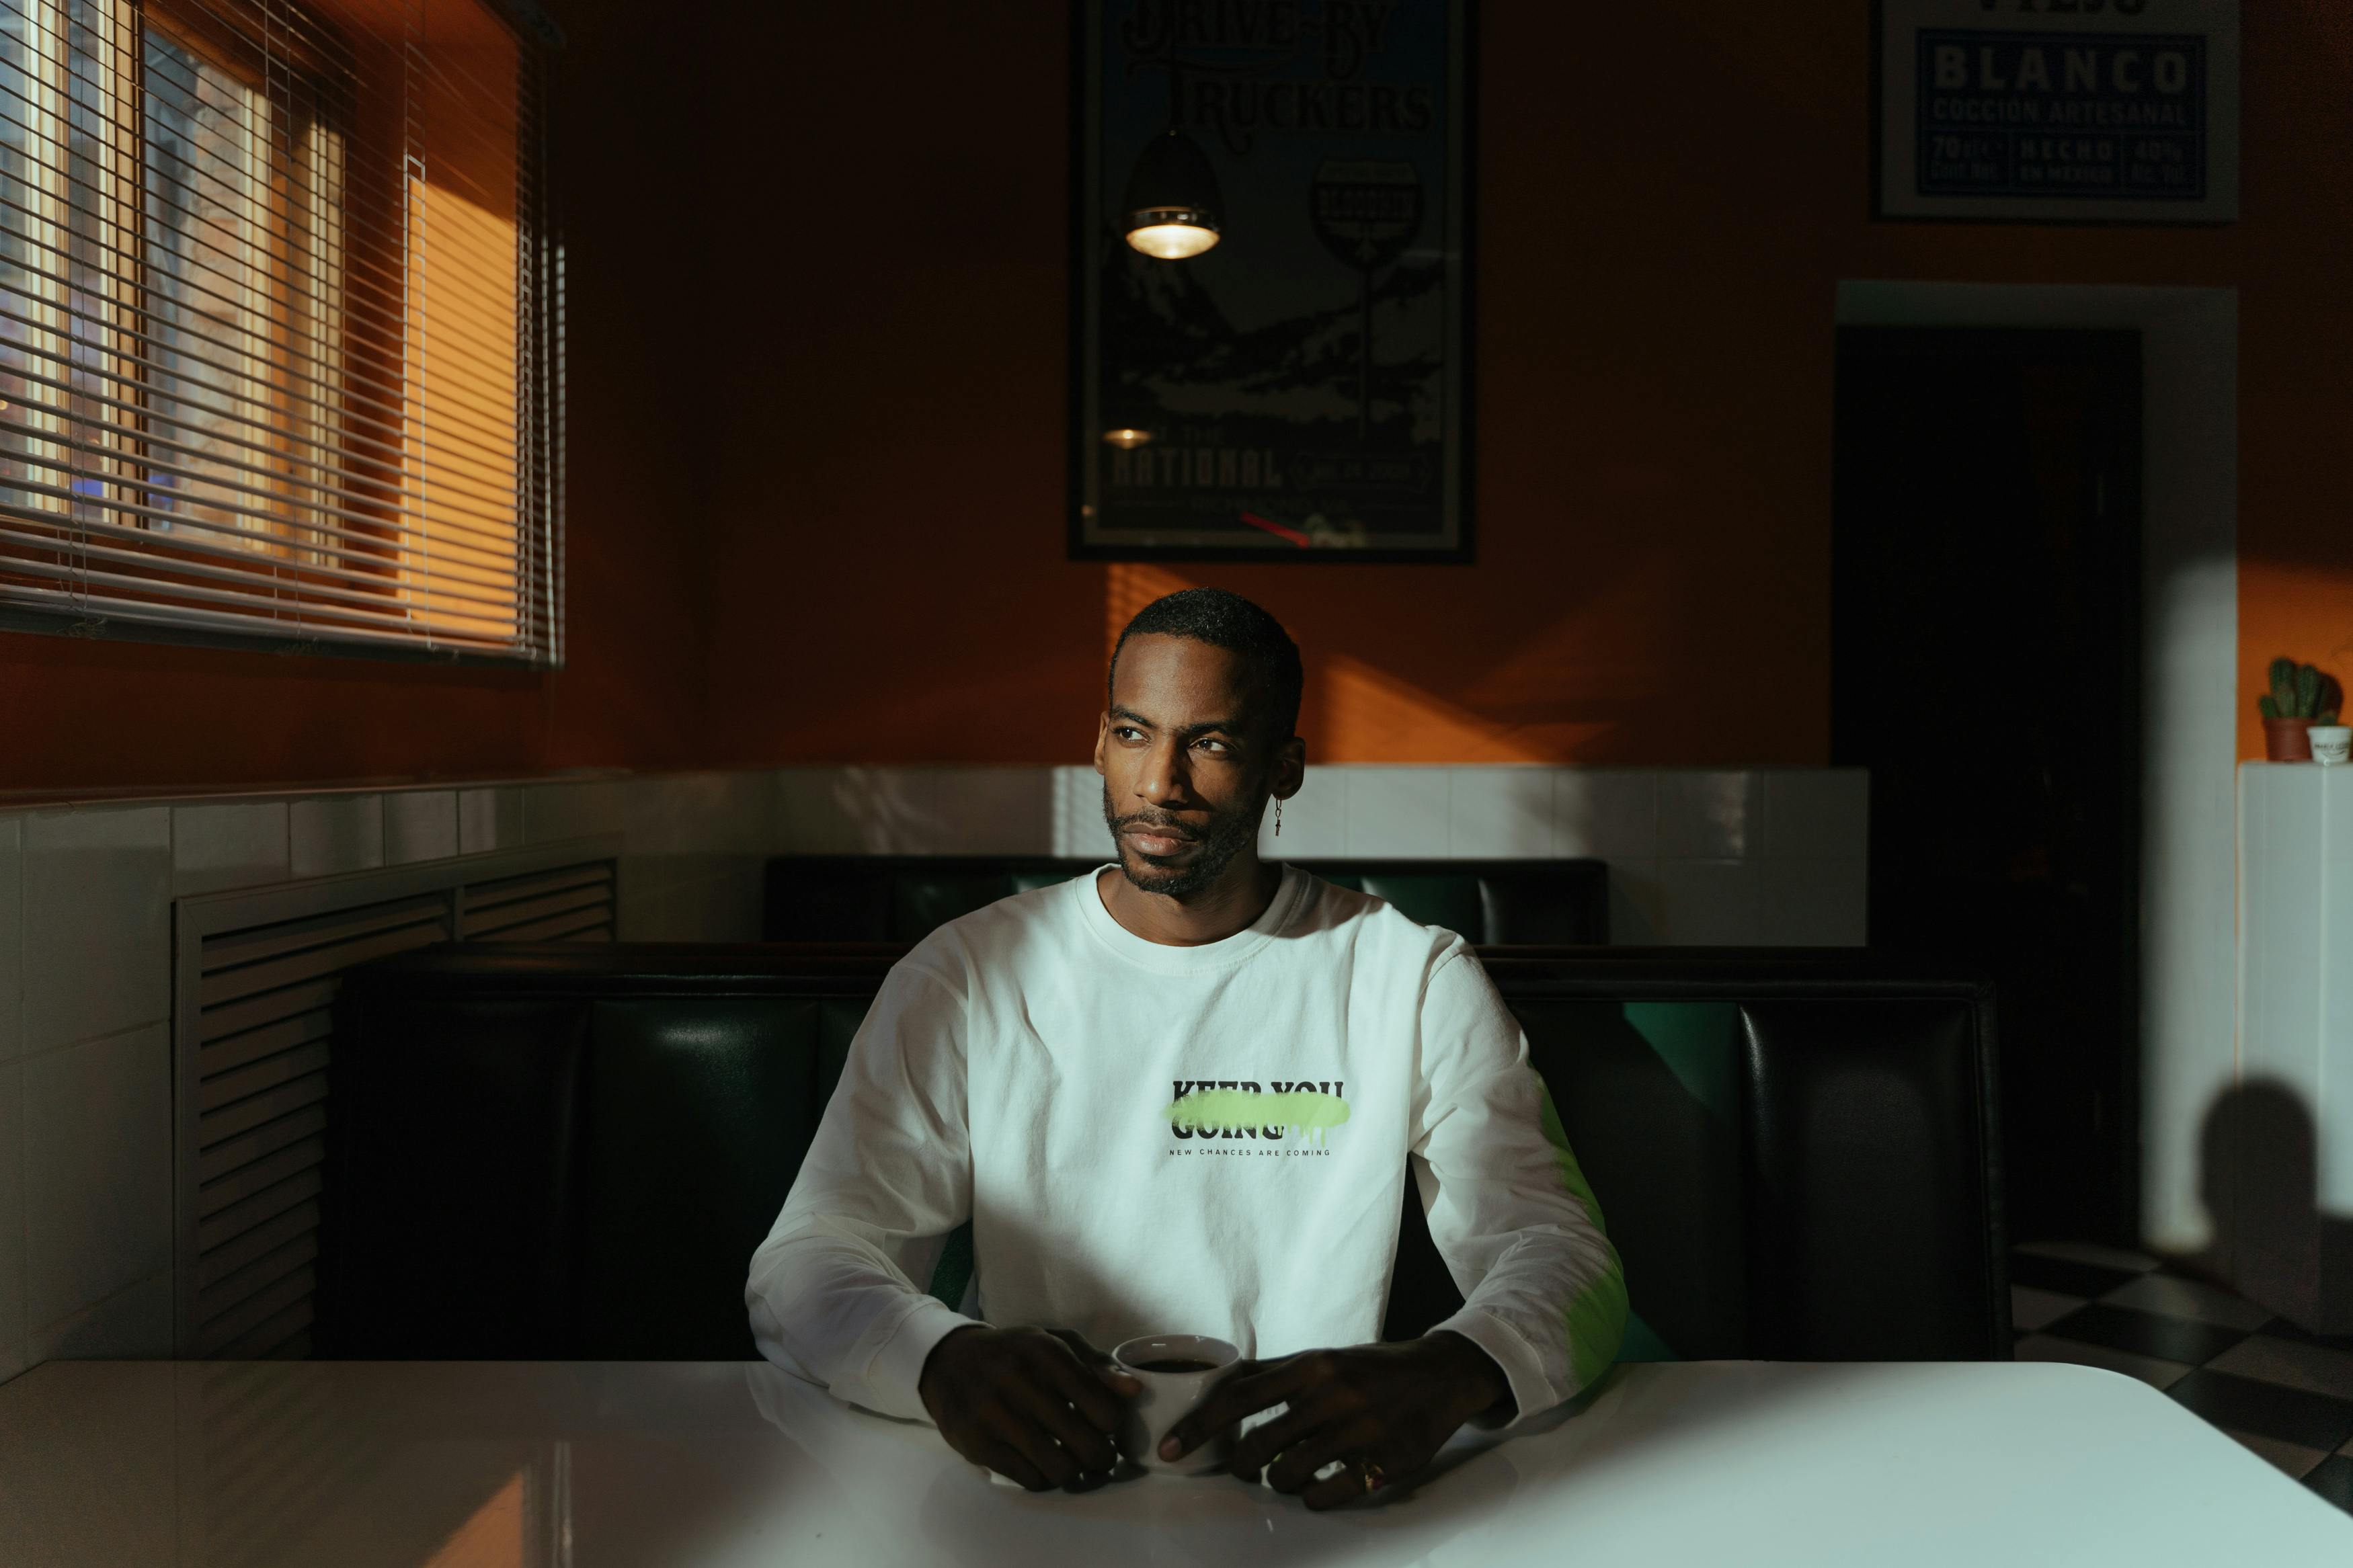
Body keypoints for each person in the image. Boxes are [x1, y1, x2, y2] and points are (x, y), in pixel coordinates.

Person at [746, 587, 1626, 1510]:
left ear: (1283, 766)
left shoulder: (1408, 976)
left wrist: (1448, 1369)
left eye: (1209, 742)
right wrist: (938, 1354)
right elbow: (806, 1256)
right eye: (1133, 733)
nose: (1159, 781)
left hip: (1303, 1493)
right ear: (1098, 742)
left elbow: (1561, 1247)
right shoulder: (966, 974)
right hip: (1040, 1487)